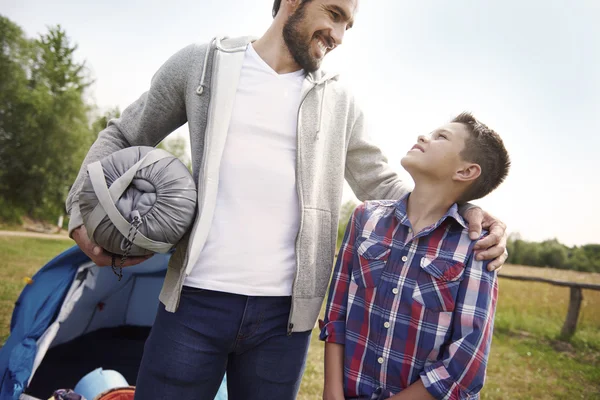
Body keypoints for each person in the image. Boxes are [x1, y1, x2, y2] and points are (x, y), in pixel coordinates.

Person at [65, 1, 509, 399]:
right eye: (333, 15)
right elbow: (124, 134)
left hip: (285, 321)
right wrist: (77, 214)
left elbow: (384, 185)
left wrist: (466, 210)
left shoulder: (340, 99)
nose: (338, 36)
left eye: (347, 26)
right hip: (193, 304)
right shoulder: (201, 65)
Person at [320, 112, 510, 400]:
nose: (424, 137)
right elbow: (337, 316)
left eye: (441, 137)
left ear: (466, 172)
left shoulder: (476, 245)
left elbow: (466, 362)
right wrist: (331, 393)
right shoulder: (365, 218)